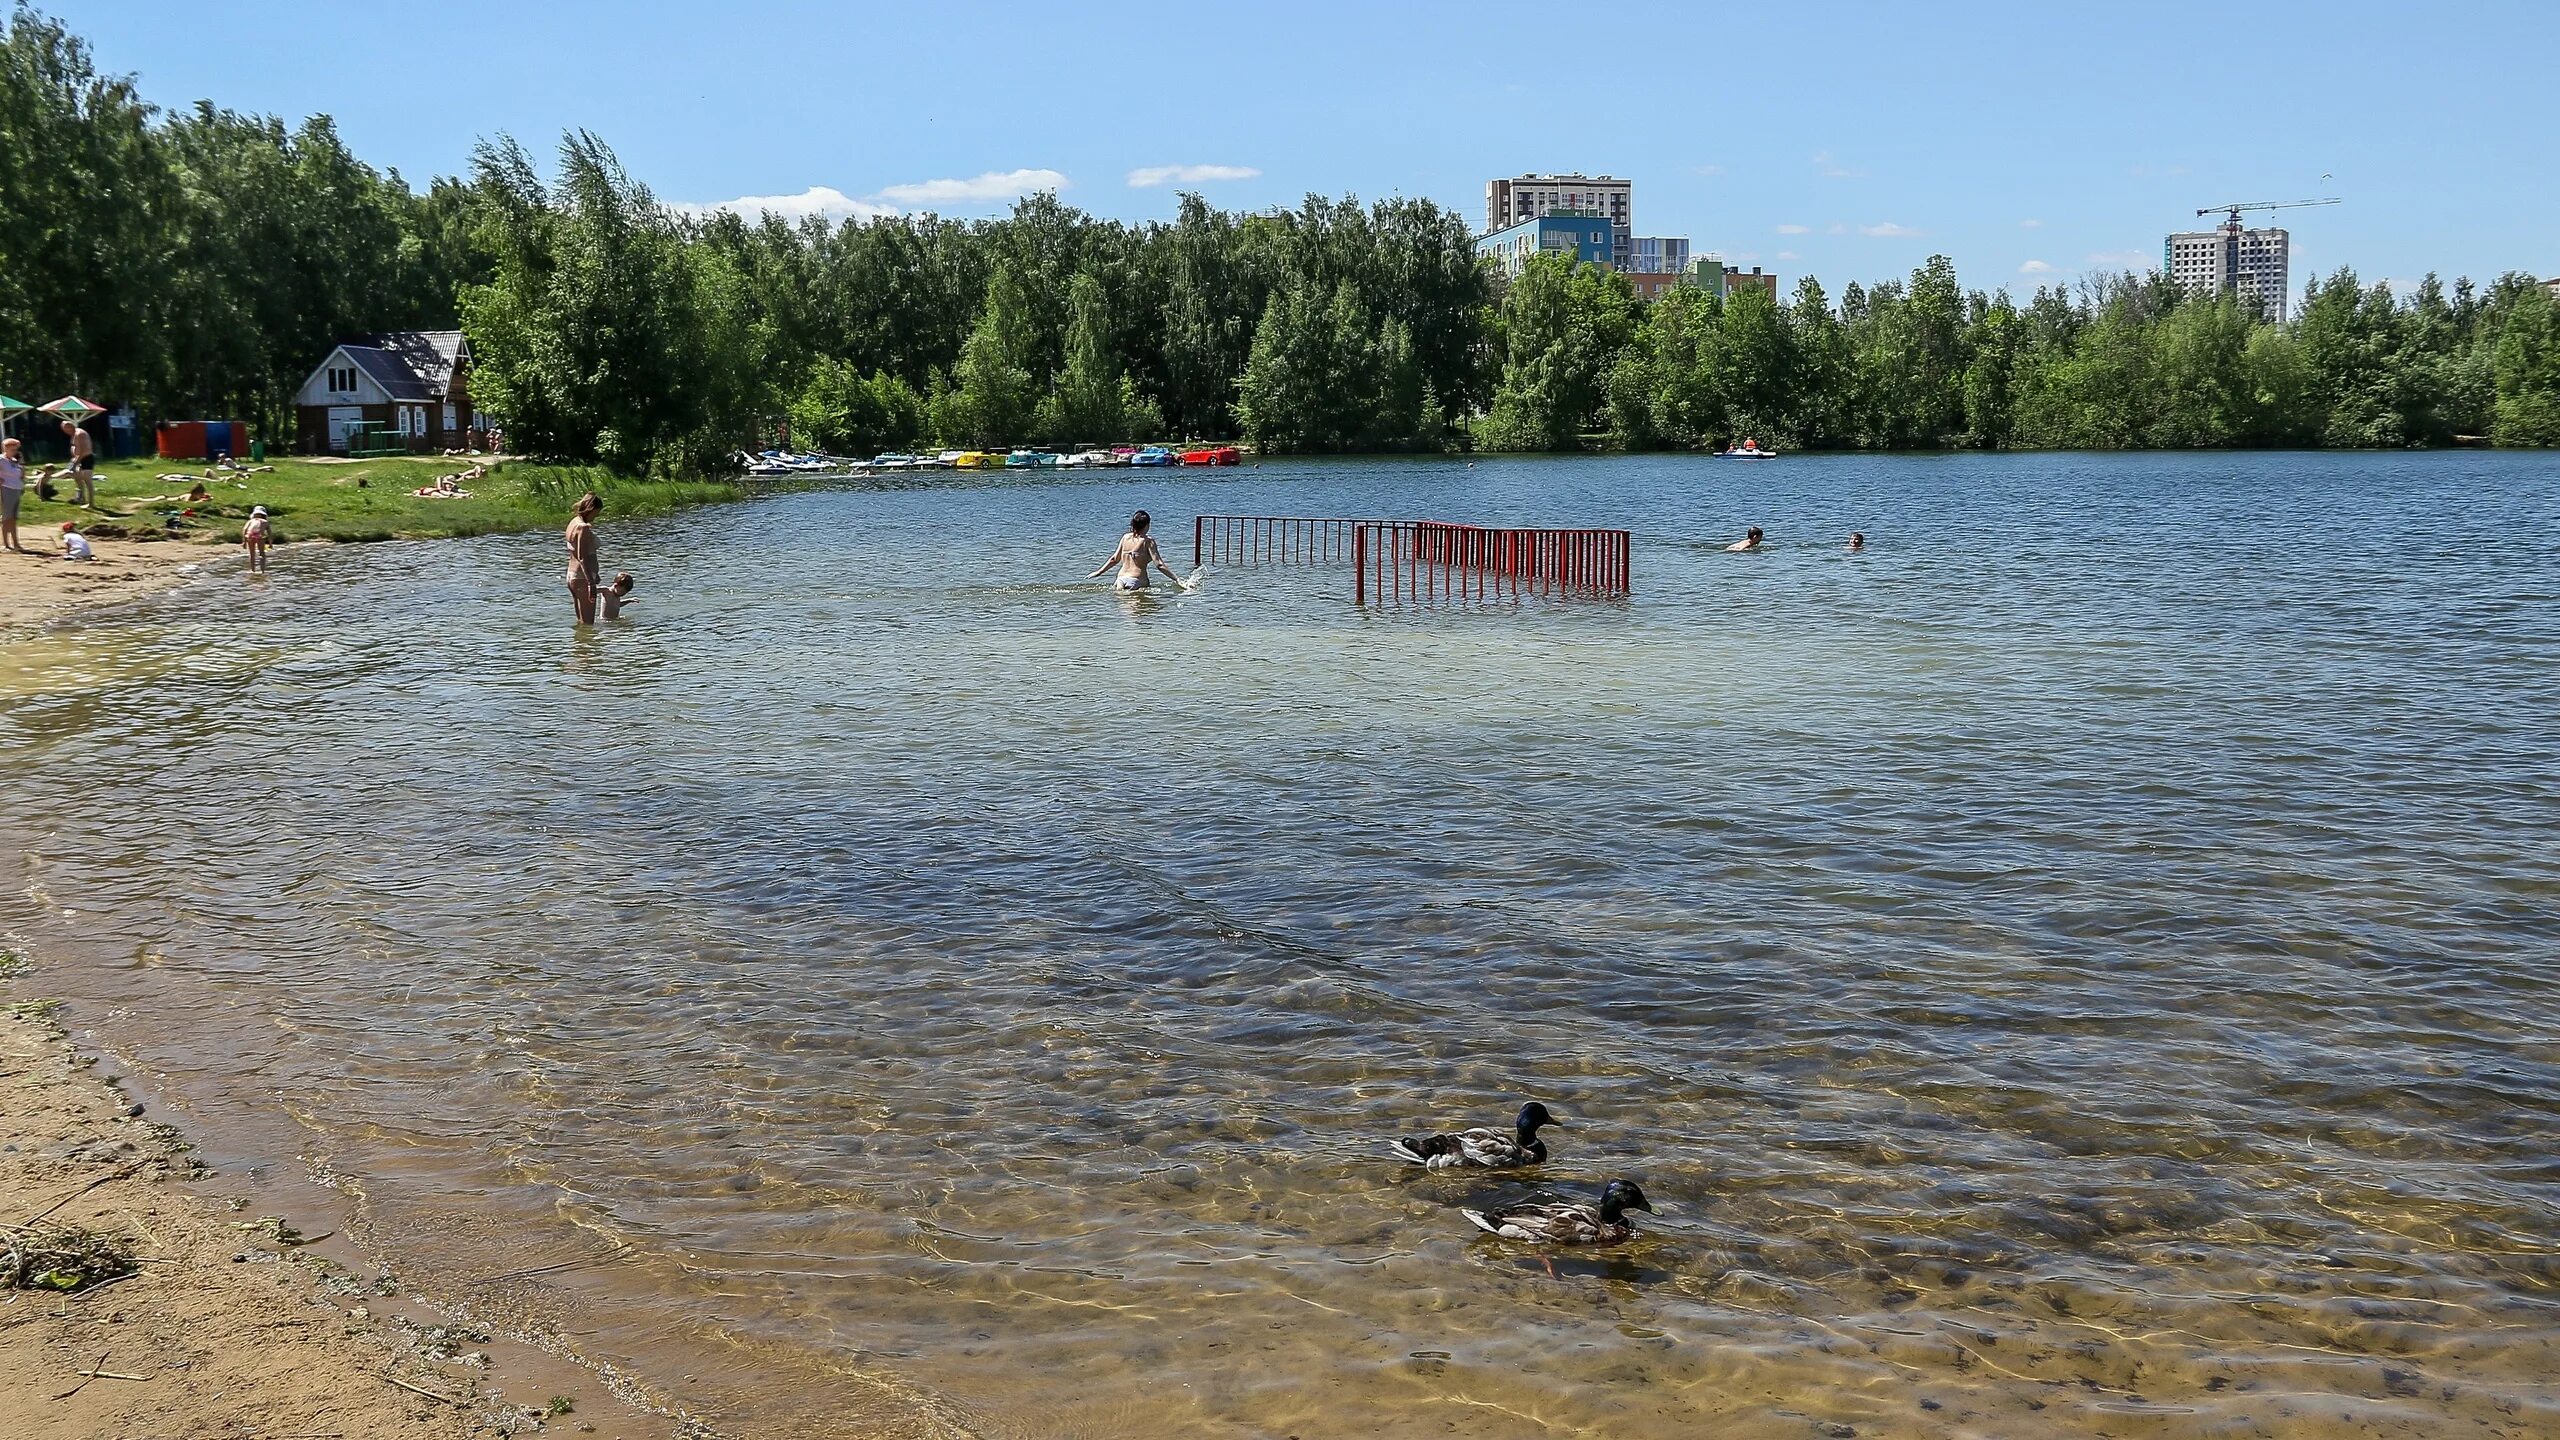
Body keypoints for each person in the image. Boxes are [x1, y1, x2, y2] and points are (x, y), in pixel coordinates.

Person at [1089, 510, 1182, 592]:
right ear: (1147, 525)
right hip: (1137, 580)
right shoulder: (1148, 541)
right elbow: (1159, 565)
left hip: (1120, 579)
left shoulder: (1125, 537)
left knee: (1125, 608)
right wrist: (1177, 579)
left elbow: (1114, 559)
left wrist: (1099, 572)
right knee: (1143, 609)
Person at [564, 491, 602, 623]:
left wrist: (594, 574)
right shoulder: (582, 527)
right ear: (590, 509)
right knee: (588, 625)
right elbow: (582, 557)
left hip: (572, 576)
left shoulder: (573, 522)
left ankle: (578, 643)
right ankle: (587, 644)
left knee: (581, 622)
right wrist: (591, 583)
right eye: (596, 513)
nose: (596, 516)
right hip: (582, 578)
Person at [63, 419, 96, 508]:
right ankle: (82, 498)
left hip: (86, 458)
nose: (66, 432)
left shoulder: (79, 434)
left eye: (66, 429)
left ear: (70, 427)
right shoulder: (74, 435)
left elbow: (83, 451)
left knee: (87, 480)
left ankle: (91, 503)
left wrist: (76, 461)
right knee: (76, 476)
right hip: (79, 459)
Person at [0, 437, 25, 553]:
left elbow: (21, 475)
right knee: (6, 518)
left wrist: (21, 463)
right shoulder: (1, 460)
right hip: (6, 489)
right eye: (12, 449)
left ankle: (16, 543)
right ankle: (6, 544)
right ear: (6, 448)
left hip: (16, 489)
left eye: (16, 449)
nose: (15, 451)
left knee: (13, 518)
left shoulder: (15, 461)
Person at [242, 505, 272, 573]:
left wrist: (244, 541)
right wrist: (270, 543)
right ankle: (262, 570)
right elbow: (270, 533)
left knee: (252, 554)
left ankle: (252, 570)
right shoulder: (265, 521)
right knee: (262, 553)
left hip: (250, 535)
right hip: (259, 536)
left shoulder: (250, 521)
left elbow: (245, 529)